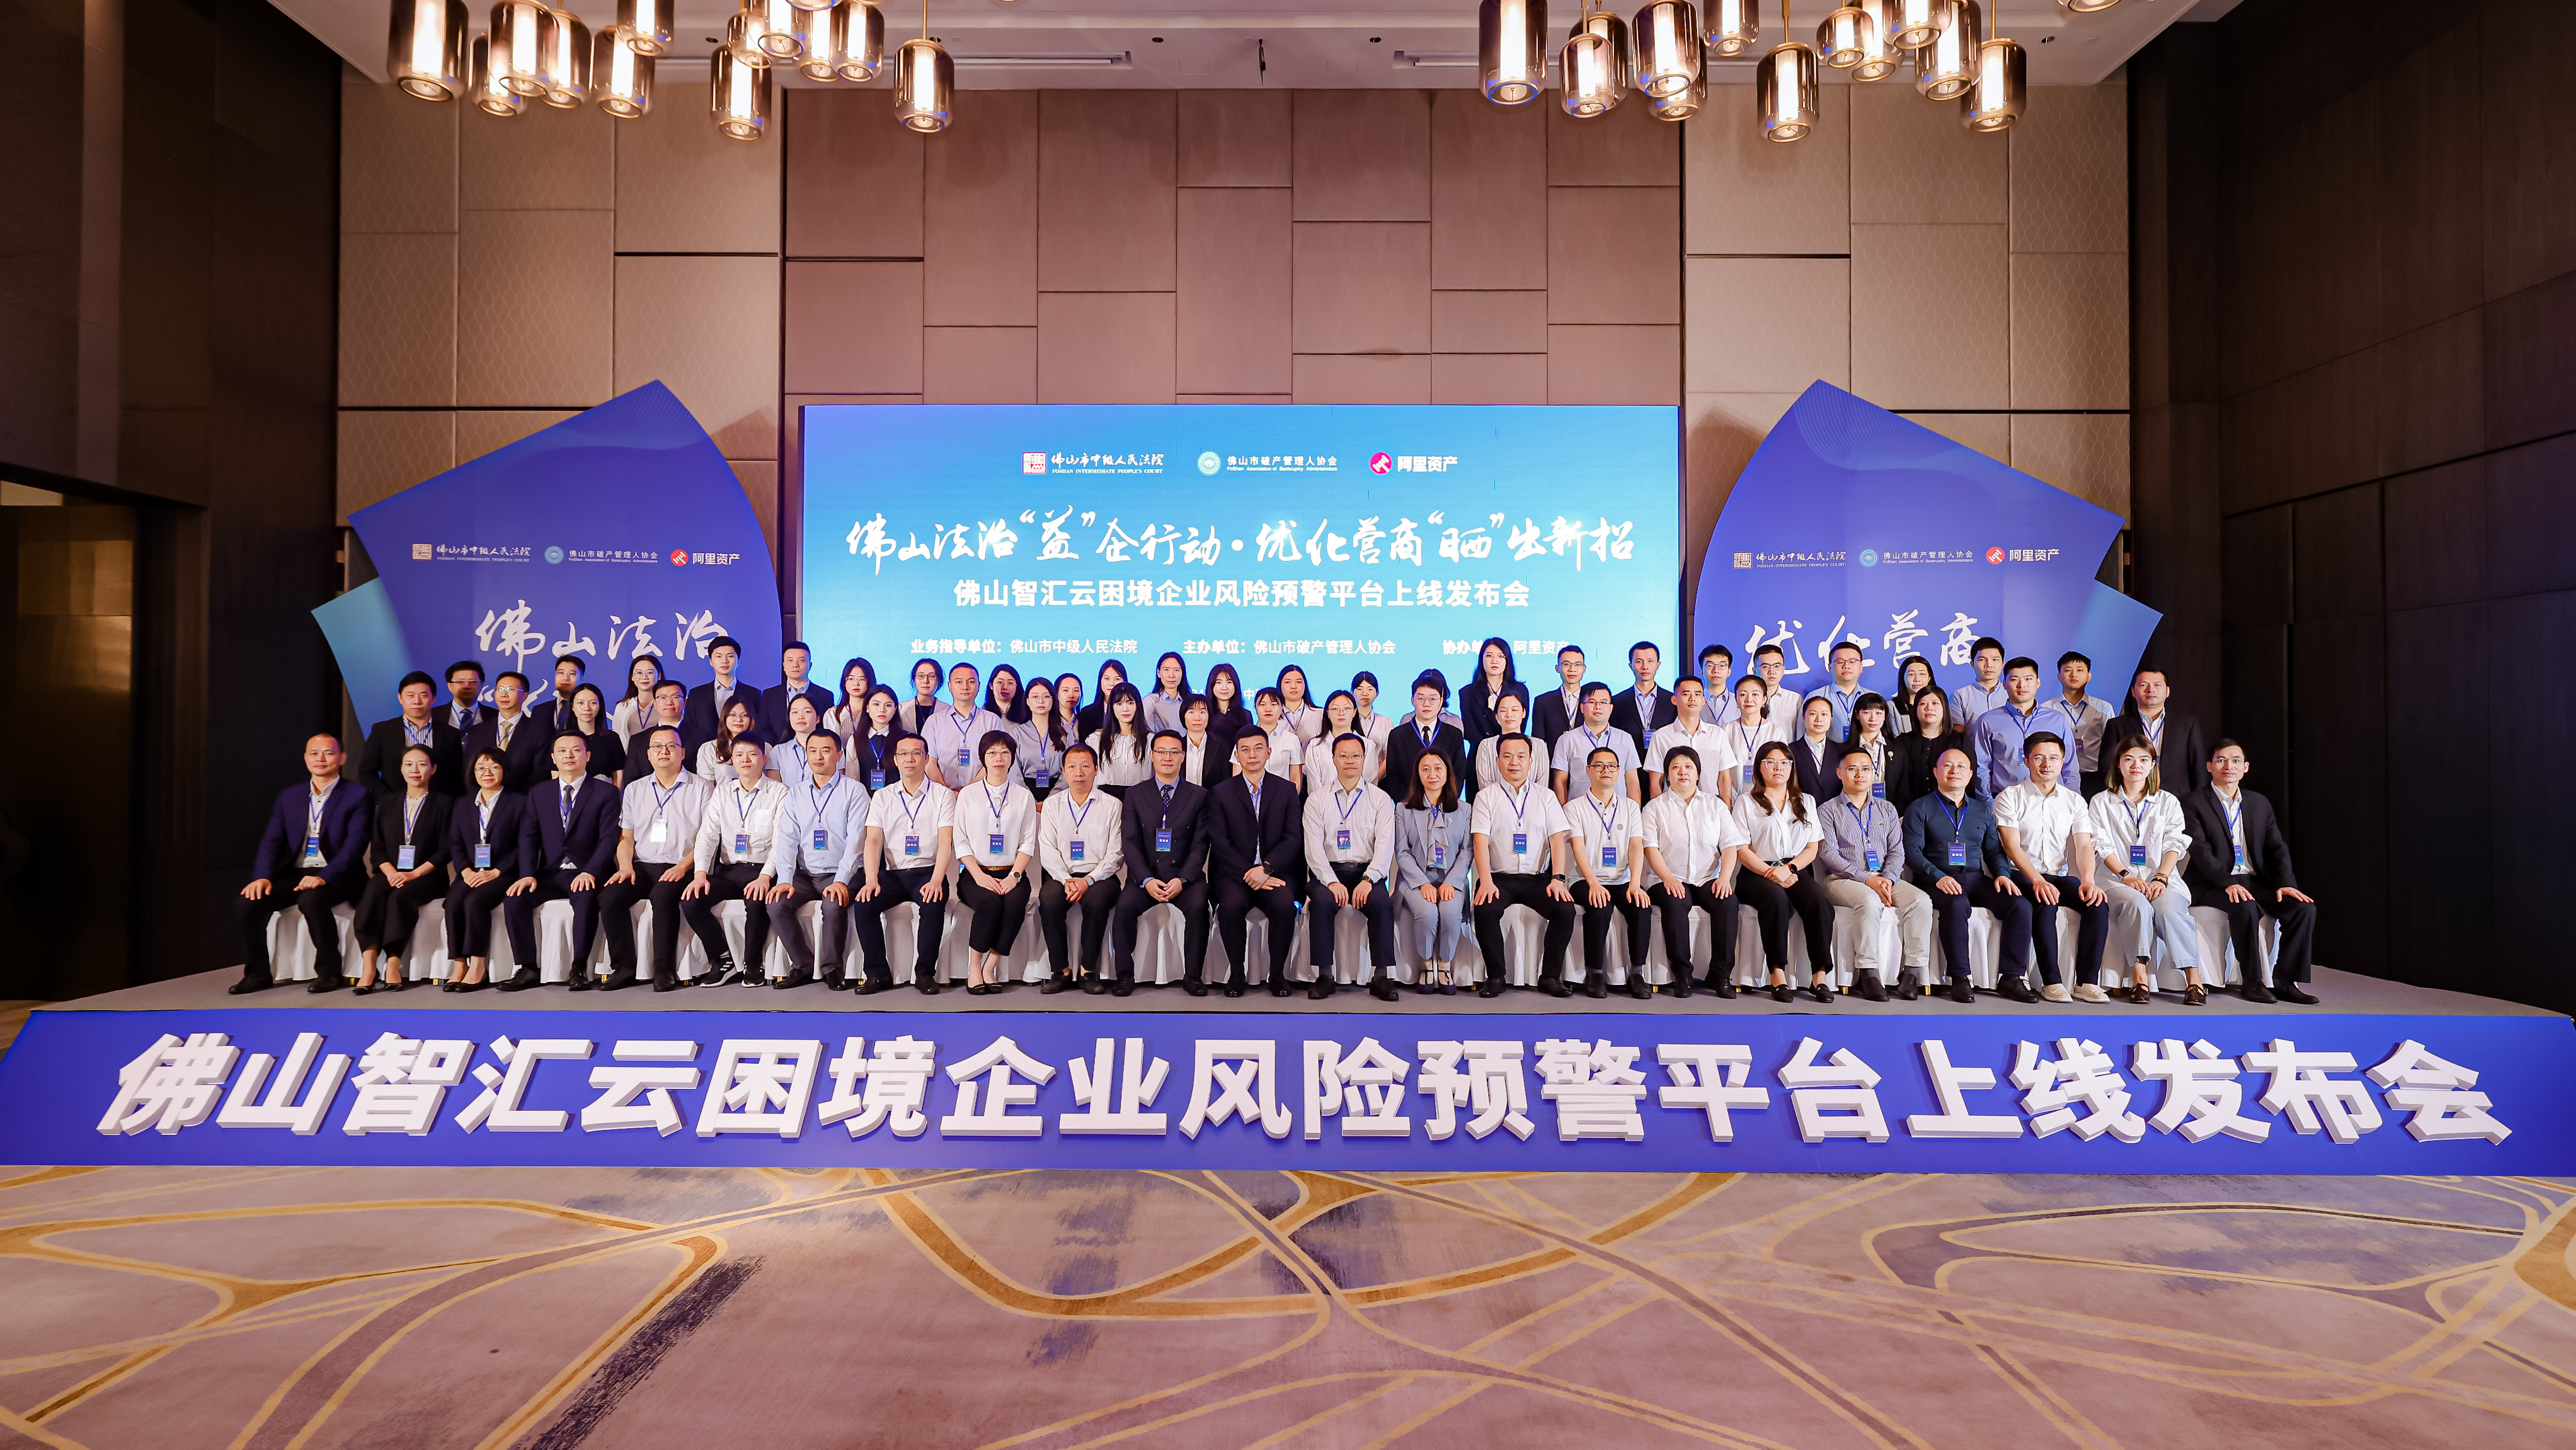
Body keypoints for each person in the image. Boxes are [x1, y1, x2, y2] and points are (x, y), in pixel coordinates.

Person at [232, 733, 375, 994]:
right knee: (247, 903)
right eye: (314, 753)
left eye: (328, 753)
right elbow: (272, 841)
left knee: (311, 899)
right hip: (297, 872)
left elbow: (355, 846)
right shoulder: (289, 796)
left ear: (342, 758)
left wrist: (324, 877)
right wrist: (262, 876)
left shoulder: (357, 796)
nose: (321, 758)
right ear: (305, 758)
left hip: (339, 874)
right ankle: (257, 974)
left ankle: (329, 973)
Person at [2180, 739, 2320, 1005]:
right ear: (2209, 766)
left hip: (2253, 880)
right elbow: (2199, 850)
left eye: (2235, 760)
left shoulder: (2258, 803)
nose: (2228, 766)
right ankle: (2252, 981)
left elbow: (2276, 847)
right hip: (2211, 883)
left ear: (2245, 767)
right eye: (2221, 760)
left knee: (2303, 909)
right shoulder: (2192, 802)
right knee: (2245, 906)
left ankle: (2285, 980)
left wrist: (2286, 883)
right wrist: (2227, 882)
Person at [1901, 742, 2032, 1004]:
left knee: (2020, 906)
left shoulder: (1982, 811)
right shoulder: (1920, 808)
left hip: (1975, 879)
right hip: (1934, 880)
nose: (1954, 770)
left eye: (1961, 766)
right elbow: (1912, 852)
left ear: (1970, 774)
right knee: (1957, 903)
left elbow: (1993, 851)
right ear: (1936, 772)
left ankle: (2012, 977)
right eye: (1948, 765)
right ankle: (1960, 978)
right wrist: (1938, 876)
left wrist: (2002, 874)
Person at [2090, 734, 2208, 1005]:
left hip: (2162, 879)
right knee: (2138, 905)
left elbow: (2175, 844)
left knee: (2169, 909)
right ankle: (2140, 979)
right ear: (2118, 763)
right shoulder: (2101, 801)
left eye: (2144, 760)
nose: (2136, 766)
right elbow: (2101, 845)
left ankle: (2195, 980)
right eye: (2129, 759)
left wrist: (2161, 878)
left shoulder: (2168, 801)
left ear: (2153, 765)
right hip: (2116, 880)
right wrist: (2126, 876)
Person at [1994, 733, 2110, 1003]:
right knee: (2045, 902)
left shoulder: (2074, 801)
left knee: (2097, 903)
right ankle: (2052, 982)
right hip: (2021, 875)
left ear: (2063, 761)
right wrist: (2037, 880)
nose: (2047, 764)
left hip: (2058, 876)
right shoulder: (2010, 797)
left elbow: (2084, 845)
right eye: (2039, 758)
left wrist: (2089, 880)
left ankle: (2087, 982)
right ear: (2026, 761)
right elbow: (2012, 847)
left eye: (2054, 758)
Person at [499, 731, 619, 991]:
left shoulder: (606, 792)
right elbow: (528, 837)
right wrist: (527, 874)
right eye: (562, 751)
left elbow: (609, 838)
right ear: (553, 758)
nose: (569, 755)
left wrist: (590, 871)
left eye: (576, 750)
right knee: (514, 900)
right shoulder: (539, 792)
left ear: (587, 756)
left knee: (586, 899)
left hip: (588, 871)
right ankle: (527, 968)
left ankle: (579, 968)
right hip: (551, 872)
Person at [1816, 744, 1935, 1002]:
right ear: (1840, 773)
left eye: (1866, 769)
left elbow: (1897, 851)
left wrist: (1888, 879)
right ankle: (1868, 972)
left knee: (1921, 901)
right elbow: (1830, 856)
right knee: (1870, 901)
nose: (1860, 774)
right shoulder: (1827, 810)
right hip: (1843, 880)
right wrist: (1867, 879)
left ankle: (1913, 972)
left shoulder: (1887, 809)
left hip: (1885, 878)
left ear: (1874, 773)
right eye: (1852, 769)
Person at [1468, 734, 1579, 998]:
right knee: (1484, 909)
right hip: (1499, 878)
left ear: (1531, 761)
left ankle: (1550, 977)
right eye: (1507, 756)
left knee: (1565, 910)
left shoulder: (1547, 797)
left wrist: (1558, 879)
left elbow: (1557, 840)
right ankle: (1496, 977)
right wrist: (1485, 880)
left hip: (1538, 879)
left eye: (1520, 756)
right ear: (1497, 761)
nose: (1514, 762)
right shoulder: (1486, 797)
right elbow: (1480, 842)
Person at [599, 725, 708, 992]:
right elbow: (627, 838)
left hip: (682, 866)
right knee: (609, 896)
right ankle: (624, 967)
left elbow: (707, 839)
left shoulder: (702, 788)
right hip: (643, 866)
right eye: (657, 747)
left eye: (671, 746)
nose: (664, 751)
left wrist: (683, 867)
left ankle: (663, 970)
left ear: (683, 753)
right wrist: (625, 866)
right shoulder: (634, 790)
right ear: (648, 755)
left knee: (663, 895)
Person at [682, 735, 789, 988]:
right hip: (729, 870)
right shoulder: (722, 792)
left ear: (764, 758)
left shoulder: (779, 792)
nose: (745, 759)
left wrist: (765, 876)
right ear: (732, 759)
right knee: (692, 901)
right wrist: (700, 874)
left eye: (752, 754)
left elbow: (782, 840)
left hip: (763, 869)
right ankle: (723, 958)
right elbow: (707, 835)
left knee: (756, 901)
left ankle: (752, 964)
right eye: (739, 754)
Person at [1732, 741, 1836, 1003]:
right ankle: (1777, 973)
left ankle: (1819, 976)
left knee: (1819, 901)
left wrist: (1789, 869)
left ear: (1791, 768)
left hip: (1795, 868)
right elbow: (1742, 849)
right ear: (1759, 768)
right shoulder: (1746, 802)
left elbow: (1812, 847)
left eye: (1784, 763)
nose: (1778, 767)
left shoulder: (1806, 801)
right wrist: (1771, 872)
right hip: (1757, 871)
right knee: (1776, 900)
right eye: (1771, 762)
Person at [1108, 732, 1211, 996]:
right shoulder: (1135, 794)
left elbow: (1200, 844)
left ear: (1183, 757)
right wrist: (1146, 879)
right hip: (1146, 877)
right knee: (1124, 908)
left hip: (1184, 878)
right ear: (1152, 756)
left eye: (1174, 752)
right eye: (1162, 752)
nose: (1168, 757)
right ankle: (1124, 974)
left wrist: (1183, 879)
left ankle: (1193, 976)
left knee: (1199, 907)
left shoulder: (1199, 795)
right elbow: (1130, 843)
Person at [1639, 744, 1746, 1000]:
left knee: (1727, 903)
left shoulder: (1715, 805)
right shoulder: (1655, 807)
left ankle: (1721, 975)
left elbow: (1730, 845)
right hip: (1667, 878)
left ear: (1698, 773)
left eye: (1688, 767)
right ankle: (1682, 975)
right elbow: (1650, 848)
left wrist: (1724, 878)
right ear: (1667, 774)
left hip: (1707, 878)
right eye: (1675, 767)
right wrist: (1667, 878)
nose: (1682, 772)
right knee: (1676, 902)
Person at [763, 730, 866, 990]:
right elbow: (787, 839)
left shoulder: (854, 791)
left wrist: (841, 880)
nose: (819, 756)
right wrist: (785, 879)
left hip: (845, 873)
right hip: (807, 874)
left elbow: (856, 842)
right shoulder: (796, 793)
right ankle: (803, 966)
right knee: (776, 904)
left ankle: (832, 969)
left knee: (833, 904)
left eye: (826, 750)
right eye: (813, 751)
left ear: (839, 755)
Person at [853, 735, 956, 995]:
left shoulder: (943, 796)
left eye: (916, 753)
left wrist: (937, 880)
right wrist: (871, 879)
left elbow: (946, 842)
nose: (910, 759)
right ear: (896, 760)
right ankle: (878, 974)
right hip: (893, 874)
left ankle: (925, 974)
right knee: (864, 903)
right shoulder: (882, 796)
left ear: (926, 758)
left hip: (927, 872)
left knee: (933, 902)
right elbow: (873, 841)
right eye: (904, 754)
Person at [1205, 727, 1303, 998]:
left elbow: (1293, 838)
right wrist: (1250, 872)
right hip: (1235, 875)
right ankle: (1237, 973)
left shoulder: (1286, 790)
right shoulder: (1221, 792)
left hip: (1275, 872)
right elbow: (1219, 841)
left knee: (1284, 906)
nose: (1252, 755)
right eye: (1245, 750)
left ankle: (1278, 975)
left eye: (1258, 748)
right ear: (1236, 755)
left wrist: (1266, 869)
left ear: (1268, 753)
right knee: (1230, 906)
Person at [1304, 732, 1399, 1001]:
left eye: (1355, 755)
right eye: (1343, 756)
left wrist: (1369, 880)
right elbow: (1313, 849)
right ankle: (1325, 976)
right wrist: (1331, 881)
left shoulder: (1381, 799)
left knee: (1381, 903)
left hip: (1366, 872)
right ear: (1333, 759)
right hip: (1328, 873)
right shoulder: (1317, 800)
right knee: (1322, 902)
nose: (1349, 761)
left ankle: (1381, 977)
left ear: (1365, 758)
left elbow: (1385, 846)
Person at [350, 743, 452, 993]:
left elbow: (445, 850)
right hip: (390, 872)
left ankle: (394, 962)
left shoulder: (445, 803)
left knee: (400, 897)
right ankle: (369, 965)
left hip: (428, 876)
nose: (414, 770)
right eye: (409, 764)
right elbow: (378, 849)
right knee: (373, 892)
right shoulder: (387, 803)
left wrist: (414, 874)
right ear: (401, 769)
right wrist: (392, 873)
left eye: (422, 764)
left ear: (433, 769)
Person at [951, 731, 1038, 994]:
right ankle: (974, 966)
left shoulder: (1024, 796)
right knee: (989, 903)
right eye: (992, 753)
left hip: (1013, 873)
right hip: (975, 874)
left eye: (1004, 753)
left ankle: (991, 966)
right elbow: (961, 841)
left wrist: (1014, 877)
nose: (998, 758)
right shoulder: (968, 794)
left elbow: (1027, 843)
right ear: (983, 759)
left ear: (1012, 758)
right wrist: (979, 876)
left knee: (1014, 904)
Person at [1566, 745, 1652, 1000]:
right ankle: (1594, 974)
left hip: (1622, 879)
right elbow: (1578, 847)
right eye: (1600, 766)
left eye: (1612, 766)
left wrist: (1635, 884)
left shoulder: (1631, 807)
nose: (1606, 770)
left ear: (1619, 772)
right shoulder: (1574, 807)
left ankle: (1636, 973)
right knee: (1599, 906)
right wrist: (1593, 883)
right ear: (1588, 771)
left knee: (1641, 907)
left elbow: (1636, 846)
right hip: (1585, 879)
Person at [1036, 742, 1123, 994]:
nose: (1079, 773)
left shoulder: (1112, 805)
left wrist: (1089, 880)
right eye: (1072, 767)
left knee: (1097, 903)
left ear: (1096, 769)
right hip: (1061, 876)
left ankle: (1088, 971)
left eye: (1085, 766)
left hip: (1100, 877)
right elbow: (1048, 850)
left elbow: (1116, 854)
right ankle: (1060, 970)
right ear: (1064, 771)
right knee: (1049, 901)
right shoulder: (1052, 805)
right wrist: (1067, 880)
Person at [439, 748, 527, 992]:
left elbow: (525, 844)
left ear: (504, 770)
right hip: (471, 872)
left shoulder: (519, 802)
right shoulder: (463, 803)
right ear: (473, 772)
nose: (487, 772)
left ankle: (478, 967)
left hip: (504, 873)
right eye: (481, 768)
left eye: (494, 767)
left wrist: (497, 871)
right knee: (453, 901)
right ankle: (460, 965)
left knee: (474, 901)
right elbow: (455, 843)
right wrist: (465, 871)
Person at [1394, 751, 1474, 994]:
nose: (1432, 774)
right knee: (1428, 913)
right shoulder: (1403, 809)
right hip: (1415, 879)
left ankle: (1445, 966)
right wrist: (1423, 884)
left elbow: (1467, 851)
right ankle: (1427, 965)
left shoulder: (1464, 809)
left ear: (1447, 772)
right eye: (1426, 769)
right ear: (1418, 774)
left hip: (1451, 879)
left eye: (1438, 768)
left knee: (1450, 913)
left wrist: (1452, 882)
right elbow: (1402, 852)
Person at [1969, 657, 2079, 798]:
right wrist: (1988, 803)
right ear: (2004, 684)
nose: (2022, 685)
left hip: (2051, 800)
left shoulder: (2057, 720)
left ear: (2038, 682)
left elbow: (2070, 766)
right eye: (2014, 679)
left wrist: (2072, 801)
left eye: (2028, 679)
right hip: (2006, 801)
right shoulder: (1988, 721)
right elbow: (1982, 767)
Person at [360, 671, 466, 798]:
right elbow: (367, 773)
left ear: (434, 698)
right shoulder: (382, 731)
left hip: (438, 805)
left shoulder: (450, 734)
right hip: (393, 803)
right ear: (400, 698)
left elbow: (456, 776)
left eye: (423, 695)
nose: (417, 701)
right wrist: (389, 800)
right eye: (410, 696)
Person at [2109, 666, 2207, 791]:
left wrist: (2197, 799)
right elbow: (2109, 766)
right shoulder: (2117, 725)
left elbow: (2198, 767)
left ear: (2167, 691)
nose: (2151, 690)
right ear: (2133, 691)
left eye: (2157, 685)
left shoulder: (2187, 724)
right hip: (2132, 795)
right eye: (2144, 685)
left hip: (2178, 797)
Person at [1644, 677, 1737, 805]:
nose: (1692, 699)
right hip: (1674, 806)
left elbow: (1724, 778)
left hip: (1711, 806)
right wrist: (1659, 810)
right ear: (1674, 700)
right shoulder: (1661, 736)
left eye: (1697, 694)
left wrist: (1726, 809)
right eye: (1686, 694)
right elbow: (1656, 782)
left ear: (1703, 700)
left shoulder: (1717, 734)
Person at [1383, 672, 1472, 808]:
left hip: (1444, 807)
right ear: (1413, 700)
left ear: (1441, 701)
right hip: (1409, 808)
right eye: (1421, 698)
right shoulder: (1398, 735)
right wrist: (1409, 804)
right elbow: (1393, 776)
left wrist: (1446, 801)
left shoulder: (1454, 735)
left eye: (1433, 699)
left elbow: (1459, 773)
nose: (1426, 704)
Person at [1549, 682, 1639, 803]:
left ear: (1611, 708)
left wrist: (1635, 813)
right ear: (1582, 708)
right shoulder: (1567, 740)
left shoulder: (1625, 738)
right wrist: (1564, 813)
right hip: (1579, 811)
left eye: (1603, 702)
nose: (1598, 707)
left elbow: (1633, 781)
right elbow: (1560, 782)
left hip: (1618, 811)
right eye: (1592, 702)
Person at [923, 660, 1005, 792]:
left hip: (982, 794)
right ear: (950, 686)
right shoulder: (934, 722)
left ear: (978, 686)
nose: (965, 687)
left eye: (971, 682)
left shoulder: (992, 721)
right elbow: (929, 763)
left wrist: (969, 792)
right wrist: (947, 793)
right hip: (941, 795)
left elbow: (995, 761)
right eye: (959, 682)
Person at [1889, 688, 1973, 816]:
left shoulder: (1960, 741)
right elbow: (1894, 784)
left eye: (1935, 703)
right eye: (1923, 704)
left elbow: (1970, 783)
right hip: (1909, 815)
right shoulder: (1902, 742)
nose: (1929, 708)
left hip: (1952, 815)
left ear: (1944, 708)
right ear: (1915, 709)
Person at [462, 672, 546, 793]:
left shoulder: (539, 731)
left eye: (510, 689)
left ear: (525, 696)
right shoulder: (478, 731)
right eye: (500, 689)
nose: (504, 694)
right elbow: (468, 769)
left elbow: (540, 773)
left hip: (522, 799)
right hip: (483, 799)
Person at [682, 636, 759, 757]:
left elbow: (757, 729)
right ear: (711, 661)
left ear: (738, 661)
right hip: (705, 757)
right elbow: (690, 731)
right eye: (719, 656)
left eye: (730, 656)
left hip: (744, 756)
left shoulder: (754, 694)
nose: (724, 661)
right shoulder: (696, 695)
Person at [1609, 640, 1678, 765]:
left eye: (1650, 661)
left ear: (1658, 664)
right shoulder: (1617, 702)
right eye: (1639, 662)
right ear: (1631, 665)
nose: (1645, 667)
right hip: (1628, 767)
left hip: (1664, 766)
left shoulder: (1672, 701)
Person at [2055, 651, 2113, 792]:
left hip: (2096, 778)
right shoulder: (2047, 709)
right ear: (2059, 676)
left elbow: (2112, 745)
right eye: (2068, 670)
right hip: (2060, 777)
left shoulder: (2104, 708)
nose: (2073, 675)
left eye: (2080, 670)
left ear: (2089, 676)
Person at [760, 641, 835, 742]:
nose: (795, 665)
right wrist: (781, 748)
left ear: (810, 665)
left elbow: (825, 729)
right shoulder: (769, 695)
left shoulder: (825, 696)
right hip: (777, 748)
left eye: (801, 660)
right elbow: (763, 729)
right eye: (790, 660)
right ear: (784, 665)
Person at [1458, 636, 1525, 749]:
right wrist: (1489, 749)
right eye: (1489, 656)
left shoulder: (1520, 690)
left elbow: (1520, 725)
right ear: (1482, 659)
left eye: (1500, 656)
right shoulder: (1467, 693)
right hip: (1479, 752)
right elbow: (1470, 730)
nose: (1495, 661)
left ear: (1507, 660)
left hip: (1512, 750)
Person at [1087, 682, 1152, 798]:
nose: (1125, 709)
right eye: (1119, 704)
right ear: (1111, 707)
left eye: (1130, 703)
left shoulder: (1150, 740)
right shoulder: (1097, 739)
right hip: (1106, 800)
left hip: (1141, 799)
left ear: (1138, 706)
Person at [1312, 689, 1381, 797]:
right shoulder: (1315, 745)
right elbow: (1314, 786)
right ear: (1327, 713)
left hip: (1360, 804)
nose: (1341, 713)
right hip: (1323, 804)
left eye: (1347, 708)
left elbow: (1370, 783)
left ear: (1354, 712)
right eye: (1335, 709)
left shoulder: (1368, 745)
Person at [1014, 677, 1068, 800]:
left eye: (1046, 696)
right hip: (1024, 793)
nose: (1041, 701)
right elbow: (1014, 773)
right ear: (1027, 701)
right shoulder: (1017, 733)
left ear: (1053, 700)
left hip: (1059, 794)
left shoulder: (1065, 732)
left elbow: (1070, 768)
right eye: (1035, 697)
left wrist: (1052, 798)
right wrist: (1029, 799)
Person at [1801, 642, 1867, 739]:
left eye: (1852, 661)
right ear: (1830, 667)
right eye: (1840, 661)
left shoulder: (1873, 698)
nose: (1846, 666)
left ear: (1861, 667)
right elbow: (1802, 736)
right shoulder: (1815, 697)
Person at [844, 684, 905, 790]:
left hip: (897, 797)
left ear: (895, 710)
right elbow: (852, 778)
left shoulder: (905, 739)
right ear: (867, 708)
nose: (882, 710)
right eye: (876, 704)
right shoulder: (855, 740)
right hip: (863, 797)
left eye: (888, 705)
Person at [565, 683, 626, 785]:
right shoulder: (562, 739)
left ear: (600, 706)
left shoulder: (612, 738)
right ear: (572, 706)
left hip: (605, 793)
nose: (587, 708)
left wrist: (615, 795)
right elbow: (557, 775)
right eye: (581, 703)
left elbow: (618, 774)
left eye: (593, 703)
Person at [1840, 693, 1896, 801]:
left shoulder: (1898, 747)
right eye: (1867, 712)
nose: (1873, 718)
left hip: (1891, 808)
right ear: (1857, 715)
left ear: (1885, 716)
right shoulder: (1845, 749)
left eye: (1879, 713)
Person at [1246, 688, 1305, 791]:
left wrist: (1287, 799)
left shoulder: (1292, 740)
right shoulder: (1245, 739)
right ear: (1255, 708)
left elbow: (1296, 780)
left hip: (1283, 798)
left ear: (1282, 708)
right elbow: (1237, 776)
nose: (1268, 709)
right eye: (1263, 705)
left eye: (1273, 705)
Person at [1531, 645, 1588, 752]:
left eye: (1577, 664)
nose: (1572, 669)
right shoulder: (1543, 702)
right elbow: (1538, 743)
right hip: (1553, 760)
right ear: (1558, 668)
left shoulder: (1592, 701)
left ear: (1584, 669)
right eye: (1566, 664)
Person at [1470, 689, 1528, 796]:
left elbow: (1541, 789)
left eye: (1514, 710)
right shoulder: (1486, 745)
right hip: (1494, 804)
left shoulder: (1539, 745)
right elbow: (1485, 789)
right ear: (1496, 716)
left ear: (1524, 713)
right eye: (1503, 711)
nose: (1509, 715)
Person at [692, 698, 761, 784]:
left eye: (744, 715)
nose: (738, 719)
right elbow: (707, 787)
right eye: (733, 715)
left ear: (751, 718)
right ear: (725, 717)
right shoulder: (709, 749)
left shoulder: (765, 747)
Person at [1788, 694, 1841, 802]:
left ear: (1831, 718)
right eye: (1813, 714)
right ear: (1804, 717)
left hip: (1837, 811)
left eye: (1824, 714)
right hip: (1801, 809)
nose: (1819, 719)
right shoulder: (1790, 751)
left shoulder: (1843, 752)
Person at [770, 694, 828, 786]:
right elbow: (775, 789)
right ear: (789, 718)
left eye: (807, 711)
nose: (801, 716)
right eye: (795, 712)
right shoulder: (778, 751)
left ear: (818, 718)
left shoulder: (831, 748)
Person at [1951, 636, 2010, 727]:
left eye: (1995, 660)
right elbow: (1958, 733)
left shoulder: (2012, 693)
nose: (1989, 665)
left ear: (2003, 664)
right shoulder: (1960, 696)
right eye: (1982, 660)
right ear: (1972, 664)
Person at [611, 654, 666, 748]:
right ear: (632, 676)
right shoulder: (623, 707)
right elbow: (617, 741)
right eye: (639, 673)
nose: (644, 677)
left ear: (659, 676)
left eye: (650, 672)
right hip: (630, 757)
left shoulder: (667, 704)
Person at [641, 679, 692, 773]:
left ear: (685, 703)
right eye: (662, 697)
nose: (669, 702)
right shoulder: (638, 740)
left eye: (676, 697)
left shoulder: (701, 738)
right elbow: (632, 778)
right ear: (654, 703)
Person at [820, 657, 878, 737]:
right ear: (844, 683)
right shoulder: (833, 714)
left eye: (862, 679)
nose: (856, 684)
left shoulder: (877, 712)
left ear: (870, 682)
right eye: (851, 679)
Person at [1177, 696, 1225, 788]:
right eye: (1192, 712)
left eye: (1202, 712)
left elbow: (1225, 781)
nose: (1197, 718)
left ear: (1209, 716)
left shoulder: (1221, 745)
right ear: (1183, 716)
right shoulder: (1177, 746)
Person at [534, 654, 586, 735]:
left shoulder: (588, 710)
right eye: (561, 673)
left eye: (572, 674)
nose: (565, 678)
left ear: (582, 679)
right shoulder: (539, 710)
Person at [1142, 652, 1192, 735]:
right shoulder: (1150, 701)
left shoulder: (1190, 702)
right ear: (1159, 673)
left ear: (1183, 673)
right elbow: (1147, 732)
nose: (1171, 676)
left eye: (1176, 670)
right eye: (1166, 670)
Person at [1073, 658, 1125, 739]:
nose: (1112, 684)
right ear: (1100, 681)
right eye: (1107, 679)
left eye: (1117, 679)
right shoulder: (1087, 714)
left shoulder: (1131, 711)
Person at [1889, 654, 1938, 737]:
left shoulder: (1939, 704)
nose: (1917, 679)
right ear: (1903, 678)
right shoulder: (1892, 706)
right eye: (1911, 675)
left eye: (1922, 674)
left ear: (1929, 678)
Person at [1275, 663, 1323, 745]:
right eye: (1288, 682)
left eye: (1298, 682)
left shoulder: (1320, 714)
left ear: (1305, 685)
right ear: (1280, 685)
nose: (1293, 686)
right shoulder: (1271, 715)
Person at [897, 656, 945, 735]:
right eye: (921, 676)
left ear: (939, 681)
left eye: (931, 676)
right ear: (914, 679)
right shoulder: (900, 709)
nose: (926, 681)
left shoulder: (947, 710)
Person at [1696, 644, 1741, 728]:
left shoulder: (1739, 701)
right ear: (1701, 671)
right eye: (1710, 666)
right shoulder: (1693, 701)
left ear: (1729, 672)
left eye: (1722, 666)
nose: (1716, 671)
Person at [1203, 662, 1249, 742]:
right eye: (1219, 683)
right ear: (1212, 686)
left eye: (1229, 682)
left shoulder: (1245, 715)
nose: (1224, 688)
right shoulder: (1205, 715)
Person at [443, 660, 486, 734]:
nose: (467, 686)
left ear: (482, 685)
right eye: (460, 682)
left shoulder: (496, 716)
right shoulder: (432, 716)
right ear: (449, 686)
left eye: (473, 681)